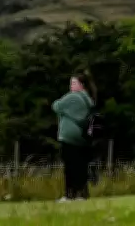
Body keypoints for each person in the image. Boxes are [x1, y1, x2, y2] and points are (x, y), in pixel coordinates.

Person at [52, 72, 96, 202]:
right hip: (83, 138)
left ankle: (69, 194)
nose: (71, 85)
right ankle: (82, 194)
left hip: (69, 137)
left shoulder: (73, 97)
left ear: (81, 85)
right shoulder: (88, 99)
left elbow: (56, 105)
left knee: (70, 167)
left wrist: (64, 112)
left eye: (74, 83)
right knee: (81, 167)